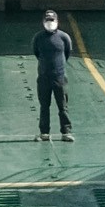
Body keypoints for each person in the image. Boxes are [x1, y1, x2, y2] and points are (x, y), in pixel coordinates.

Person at [33, 7, 74, 142]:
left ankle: (66, 132)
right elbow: (37, 53)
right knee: (44, 106)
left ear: (57, 21)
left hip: (60, 78)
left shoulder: (64, 37)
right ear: (43, 22)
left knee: (63, 106)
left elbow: (67, 52)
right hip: (44, 78)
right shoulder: (38, 37)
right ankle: (44, 133)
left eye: (52, 20)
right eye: (47, 20)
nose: (50, 22)